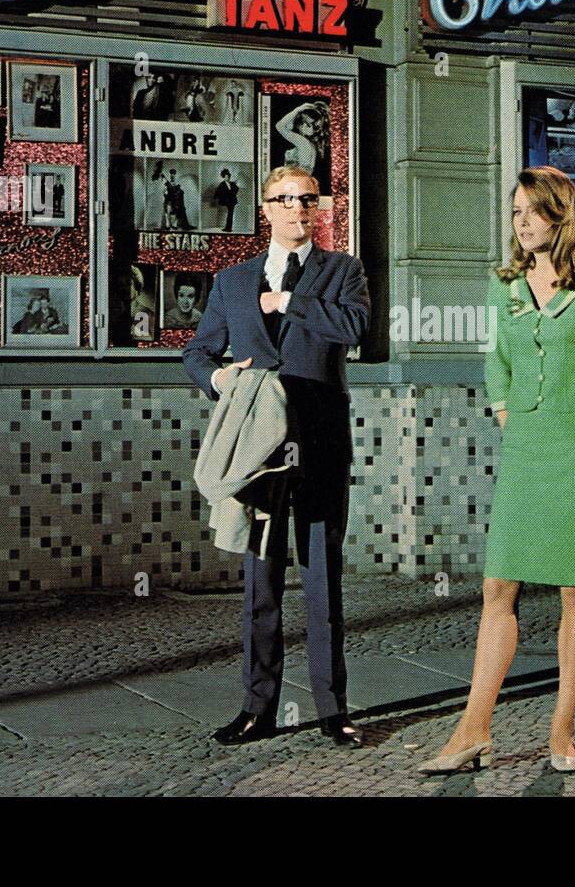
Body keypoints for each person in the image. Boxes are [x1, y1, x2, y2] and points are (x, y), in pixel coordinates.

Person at [418, 165, 575, 776]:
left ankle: (563, 728)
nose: (520, 223)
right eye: (514, 212)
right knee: (498, 587)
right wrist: (504, 412)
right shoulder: (507, 287)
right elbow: (497, 361)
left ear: (560, 215)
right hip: (526, 446)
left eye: (531, 211)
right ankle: (473, 729)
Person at [183, 164, 370, 750]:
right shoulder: (233, 281)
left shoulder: (343, 271)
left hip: (318, 443)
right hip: (256, 451)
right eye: (285, 199)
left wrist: (290, 298)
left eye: (307, 199)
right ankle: (257, 708)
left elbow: (356, 327)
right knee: (259, 582)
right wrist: (218, 378)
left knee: (322, 580)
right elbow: (197, 351)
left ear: (319, 209)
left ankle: (333, 710)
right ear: (263, 209)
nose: (297, 209)